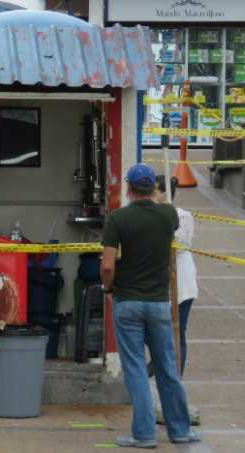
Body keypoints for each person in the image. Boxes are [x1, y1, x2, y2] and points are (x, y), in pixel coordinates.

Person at [101, 163, 201, 448]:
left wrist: (108, 287)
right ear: (154, 188)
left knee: (135, 369)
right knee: (167, 367)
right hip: (159, 303)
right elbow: (160, 204)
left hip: (127, 302)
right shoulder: (168, 215)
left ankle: (144, 434)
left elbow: (108, 265)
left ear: (129, 188)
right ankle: (179, 430)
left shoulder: (118, 219)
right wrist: (157, 194)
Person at [154, 176, 198, 375]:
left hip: (182, 285)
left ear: (164, 193)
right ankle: (157, 367)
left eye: (154, 191)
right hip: (158, 285)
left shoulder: (182, 216)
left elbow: (179, 246)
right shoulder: (151, 215)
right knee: (156, 332)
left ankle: (176, 375)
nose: (151, 195)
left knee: (177, 332)